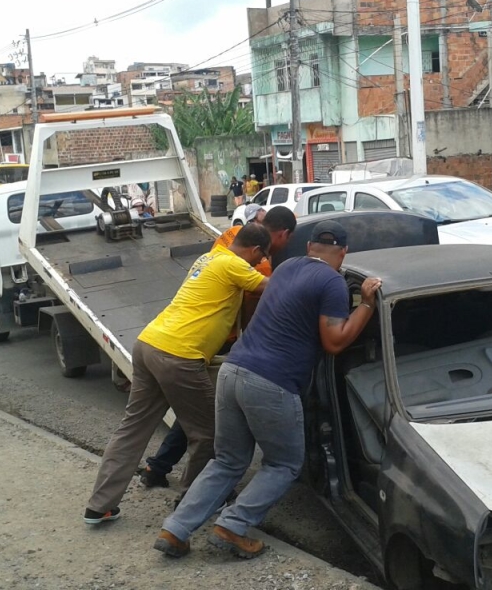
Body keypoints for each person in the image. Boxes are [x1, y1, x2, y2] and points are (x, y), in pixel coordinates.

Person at [153, 221, 381, 559]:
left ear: (308, 248)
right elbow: (334, 342)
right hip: (272, 382)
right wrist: (365, 305)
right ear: (343, 252)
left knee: (228, 460)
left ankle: (175, 530)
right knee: (285, 464)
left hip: (233, 370)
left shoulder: (287, 267)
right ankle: (233, 526)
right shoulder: (332, 282)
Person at [84, 224, 272, 525]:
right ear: (256, 251)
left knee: (132, 429)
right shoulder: (234, 264)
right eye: (261, 258)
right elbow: (272, 287)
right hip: (179, 356)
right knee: (209, 433)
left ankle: (99, 505)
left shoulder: (208, 258)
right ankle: (191, 502)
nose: (258, 264)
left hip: (149, 344)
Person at [136, 207, 298, 490]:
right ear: (282, 234)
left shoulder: (232, 236)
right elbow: (254, 298)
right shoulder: (256, 260)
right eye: (287, 240)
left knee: (198, 411)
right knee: (208, 417)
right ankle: (198, 489)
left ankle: (158, 466)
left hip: (211, 333)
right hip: (225, 338)